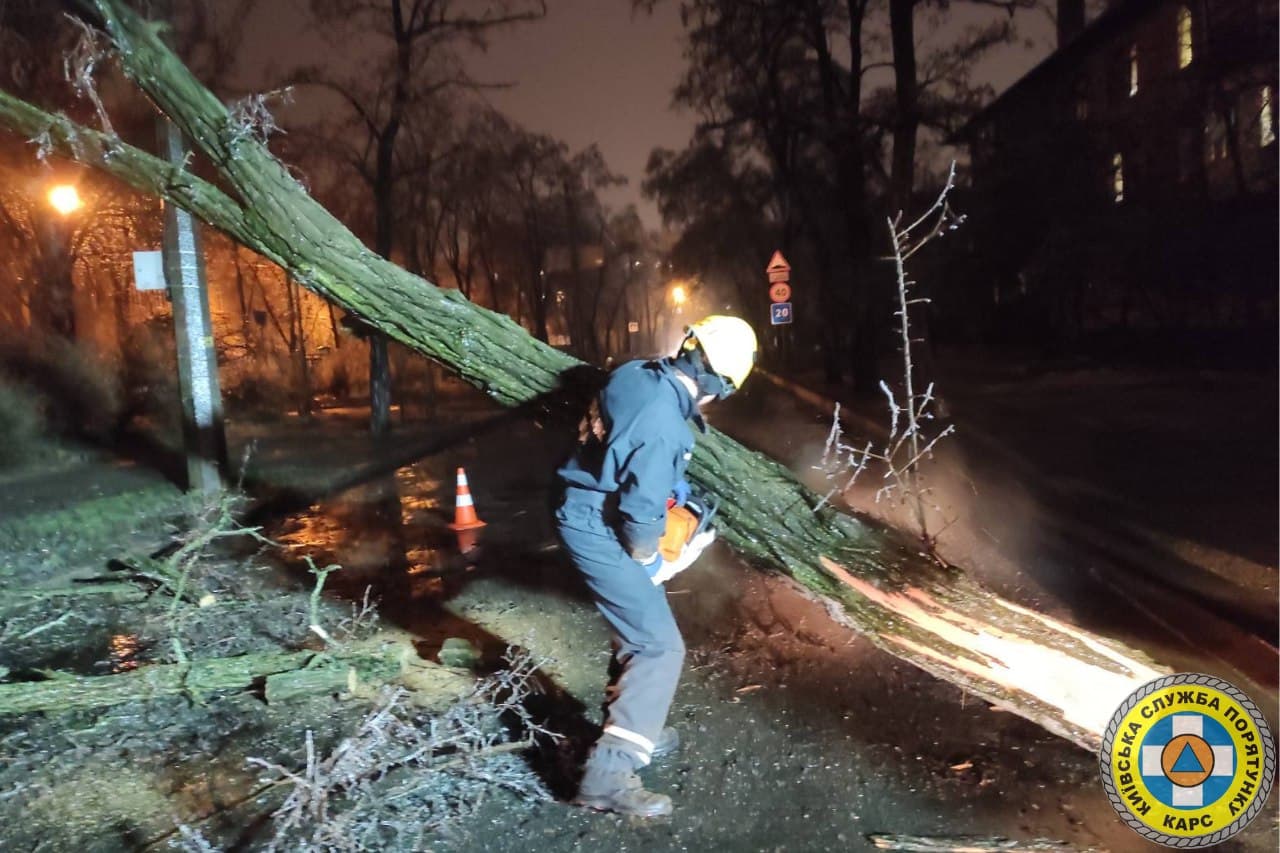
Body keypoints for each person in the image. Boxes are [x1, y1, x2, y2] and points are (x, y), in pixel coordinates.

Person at [554, 315, 758, 817]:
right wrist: (651, 559)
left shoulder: (635, 373)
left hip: (581, 499)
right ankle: (608, 773)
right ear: (721, 385)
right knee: (659, 645)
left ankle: (631, 722)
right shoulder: (666, 426)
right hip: (593, 520)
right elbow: (641, 517)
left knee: (638, 620)